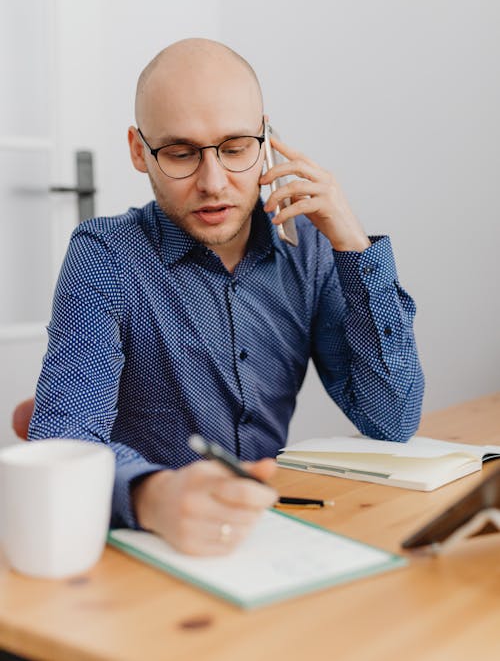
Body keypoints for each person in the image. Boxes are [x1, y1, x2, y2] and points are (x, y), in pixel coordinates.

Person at [29, 38, 424, 555]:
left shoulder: (309, 250)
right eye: (180, 153)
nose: (213, 183)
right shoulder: (106, 255)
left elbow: (391, 418)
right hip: (147, 547)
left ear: (265, 139)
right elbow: (65, 447)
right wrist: (152, 495)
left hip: (264, 537)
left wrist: (352, 245)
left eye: (235, 148)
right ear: (137, 150)